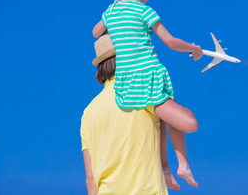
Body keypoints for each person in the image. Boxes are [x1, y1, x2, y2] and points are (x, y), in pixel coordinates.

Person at [92, 0, 203, 188]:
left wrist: (113, 22)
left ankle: (166, 170)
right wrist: (194, 48)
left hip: (126, 84)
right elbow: (171, 42)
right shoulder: (144, 11)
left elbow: (96, 32)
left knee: (162, 119)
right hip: (148, 76)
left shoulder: (111, 12)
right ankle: (182, 164)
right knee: (188, 121)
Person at [81, 35, 198, 194]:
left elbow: (91, 181)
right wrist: (169, 98)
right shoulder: (139, 89)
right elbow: (189, 123)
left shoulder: (88, 112)